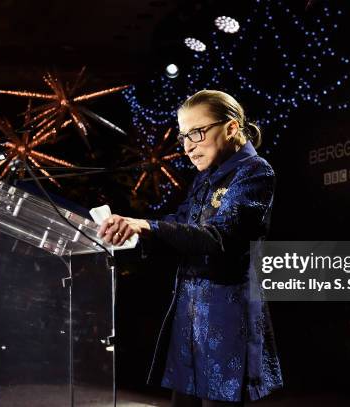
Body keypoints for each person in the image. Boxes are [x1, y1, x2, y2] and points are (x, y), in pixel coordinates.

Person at [97, 90, 283, 406]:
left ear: (231, 128)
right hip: (190, 323)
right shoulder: (205, 178)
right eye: (184, 136)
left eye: (197, 132)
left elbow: (219, 238)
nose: (187, 146)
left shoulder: (255, 171)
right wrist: (133, 228)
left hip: (227, 325)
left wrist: (147, 226)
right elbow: (181, 222)